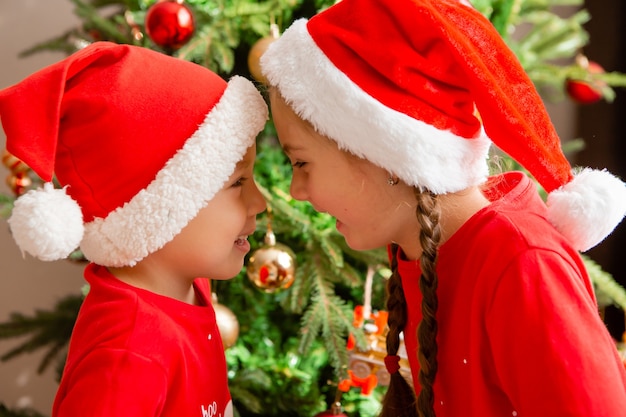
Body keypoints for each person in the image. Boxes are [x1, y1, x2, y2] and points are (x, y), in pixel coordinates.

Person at [259, 0, 626, 416]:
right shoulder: (426, 250)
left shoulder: (522, 265)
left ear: (383, 153)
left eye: (301, 163)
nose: (296, 190)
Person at [0, 41, 268, 416]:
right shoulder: (129, 356)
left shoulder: (187, 287)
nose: (260, 203)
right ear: (162, 209)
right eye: (238, 183)